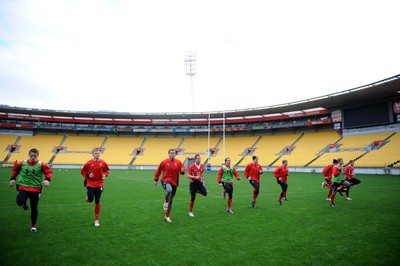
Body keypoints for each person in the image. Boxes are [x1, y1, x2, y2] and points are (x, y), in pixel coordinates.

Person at [9, 148, 53, 232]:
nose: (33, 157)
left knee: (34, 207)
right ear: (29, 155)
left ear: (37, 156)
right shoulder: (23, 163)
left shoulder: (41, 164)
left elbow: (48, 172)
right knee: (19, 202)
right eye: (31, 155)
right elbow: (15, 169)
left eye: (35, 156)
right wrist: (12, 179)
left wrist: (47, 180)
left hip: (35, 189)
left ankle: (33, 225)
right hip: (23, 186)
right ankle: (24, 203)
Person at [154, 149, 186, 223]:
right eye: (171, 153)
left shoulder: (178, 162)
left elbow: (182, 172)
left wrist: (182, 171)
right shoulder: (164, 162)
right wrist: (156, 180)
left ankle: (167, 216)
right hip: (165, 180)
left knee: (171, 200)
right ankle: (166, 200)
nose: (173, 154)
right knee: (169, 190)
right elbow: (158, 171)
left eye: (174, 153)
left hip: (174, 182)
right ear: (168, 154)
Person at [81, 148, 110, 226]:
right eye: (96, 153)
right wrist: (88, 175)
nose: (97, 154)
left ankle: (96, 219)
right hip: (90, 183)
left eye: (98, 153)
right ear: (92, 154)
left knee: (97, 200)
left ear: (100, 154)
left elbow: (107, 170)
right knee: (90, 200)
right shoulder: (88, 163)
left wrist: (105, 175)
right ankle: (88, 198)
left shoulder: (103, 163)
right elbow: (82, 171)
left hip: (99, 184)